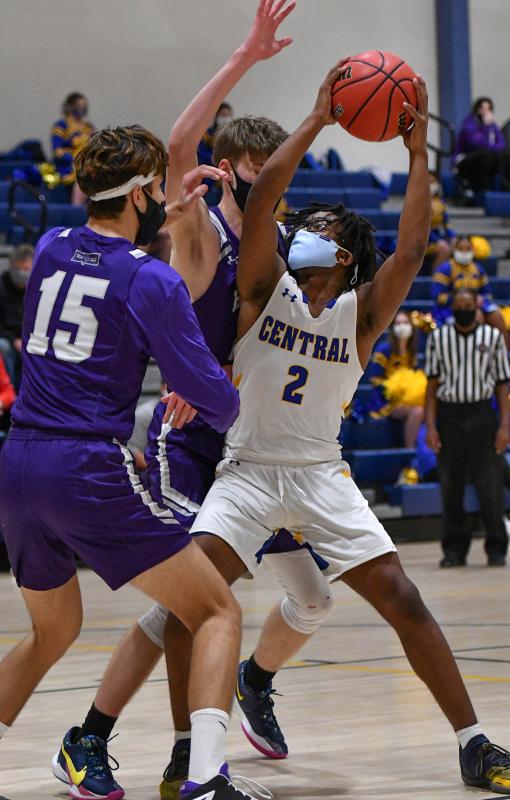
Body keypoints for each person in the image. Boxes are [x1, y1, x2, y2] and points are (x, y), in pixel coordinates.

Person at [181, 65, 510, 795]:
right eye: (301, 230)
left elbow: (414, 250)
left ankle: (475, 742)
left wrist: (419, 152)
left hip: (321, 474)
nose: (302, 234)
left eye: (320, 233)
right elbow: (264, 196)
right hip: (248, 470)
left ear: (348, 255)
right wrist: (318, 118)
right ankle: (194, 758)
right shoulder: (265, 288)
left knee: (402, 597)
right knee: (193, 601)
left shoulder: (360, 315)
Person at [52, 5, 322, 800]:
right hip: (189, 438)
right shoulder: (199, 227)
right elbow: (175, 145)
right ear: (237, 165)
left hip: (256, 444)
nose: (278, 179)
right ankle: (115, 739)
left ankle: (247, 689)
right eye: (265, 165)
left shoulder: (289, 244)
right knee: (192, 601)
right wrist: (245, 54)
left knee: (308, 594)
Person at [0, 123, 274, 800]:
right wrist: (244, 407)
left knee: (52, 631)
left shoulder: (50, 246)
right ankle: (206, 778)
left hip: (18, 465)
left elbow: (105, 263)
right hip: (85, 468)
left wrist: (163, 213)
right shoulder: (151, 280)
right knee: (216, 611)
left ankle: (91, 744)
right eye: (155, 187)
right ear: (139, 195)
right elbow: (209, 391)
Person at [425, 288, 510, 568]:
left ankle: (496, 548)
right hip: (449, 416)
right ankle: (454, 550)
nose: (463, 309)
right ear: (452, 308)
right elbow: (432, 385)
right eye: (458, 305)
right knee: (451, 486)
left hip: (482, 414)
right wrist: (431, 426)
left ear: (476, 308)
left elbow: (502, 385)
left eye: (468, 305)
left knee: (490, 485)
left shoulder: (493, 337)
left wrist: (505, 425)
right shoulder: (438, 338)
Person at [432, 235, 508, 345]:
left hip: (477, 305)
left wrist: (482, 299)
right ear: (454, 250)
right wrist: (460, 300)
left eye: (467, 249)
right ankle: (475, 353)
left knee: (496, 314)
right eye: (460, 249)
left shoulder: (477, 268)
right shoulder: (445, 268)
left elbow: (488, 293)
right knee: (477, 315)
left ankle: (504, 353)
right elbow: (438, 297)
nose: (464, 252)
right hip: (451, 308)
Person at [367, 310, 424, 447]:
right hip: (386, 401)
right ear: (392, 328)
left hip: (407, 400)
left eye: (405, 323)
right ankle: (410, 452)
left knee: (426, 408)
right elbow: (375, 380)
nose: (402, 326)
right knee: (418, 411)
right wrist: (393, 390)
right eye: (398, 323)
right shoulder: (384, 349)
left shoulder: (411, 352)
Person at [454, 97, 510, 196]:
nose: (486, 111)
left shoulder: (493, 126)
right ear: (477, 109)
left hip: (487, 158)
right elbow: (476, 144)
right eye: (483, 108)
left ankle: (505, 188)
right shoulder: (469, 124)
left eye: (489, 108)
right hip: (466, 159)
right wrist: (487, 127)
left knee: (505, 155)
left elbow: (502, 144)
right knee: (484, 154)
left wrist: (490, 128)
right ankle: (485, 192)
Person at [0, 244, 34, 389]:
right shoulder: (1, 285)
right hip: (6, 337)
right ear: (11, 265)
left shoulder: (40, 287)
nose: (21, 273)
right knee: (3, 347)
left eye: (26, 269)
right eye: (17, 268)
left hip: (30, 337)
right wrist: (14, 339)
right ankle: (10, 393)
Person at [52, 92, 95, 205]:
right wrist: (75, 159)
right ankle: (76, 208)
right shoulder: (61, 125)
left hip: (88, 163)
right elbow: (57, 151)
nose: (82, 109)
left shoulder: (88, 127)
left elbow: (95, 147)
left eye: (84, 106)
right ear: (70, 107)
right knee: (83, 176)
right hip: (69, 165)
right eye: (78, 106)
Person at [426, 170, 455, 271]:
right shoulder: (416, 202)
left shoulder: (440, 202)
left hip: (434, 237)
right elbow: (420, 228)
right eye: (428, 182)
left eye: (433, 182)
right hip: (419, 239)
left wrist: (453, 237)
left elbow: (446, 224)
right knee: (444, 249)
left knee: (456, 245)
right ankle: (437, 279)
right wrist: (437, 240)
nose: (431, 185)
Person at [197, 101, 234, 167]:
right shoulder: (207, 134)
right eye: (223, 115)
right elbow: (200, 152)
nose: (226, 118)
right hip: (210, 169)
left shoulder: (234, 134)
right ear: (216, 116)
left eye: (229, 115)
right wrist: (212, 158)